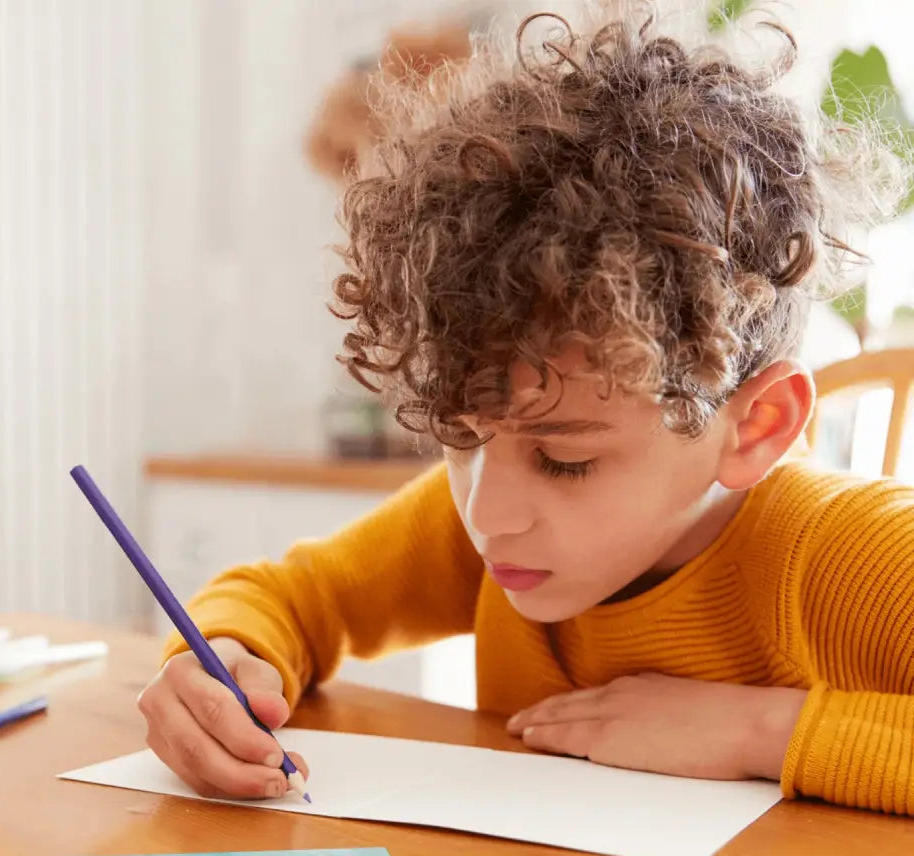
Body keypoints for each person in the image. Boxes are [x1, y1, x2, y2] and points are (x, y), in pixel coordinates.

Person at [138, 8, 913, 815]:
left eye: (565, 459)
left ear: (755, 425)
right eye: (460, 438)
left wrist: (763, 731)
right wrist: (222, 662)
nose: (487, 515)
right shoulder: (488, 512)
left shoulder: (848, 556)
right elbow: (289, 597)